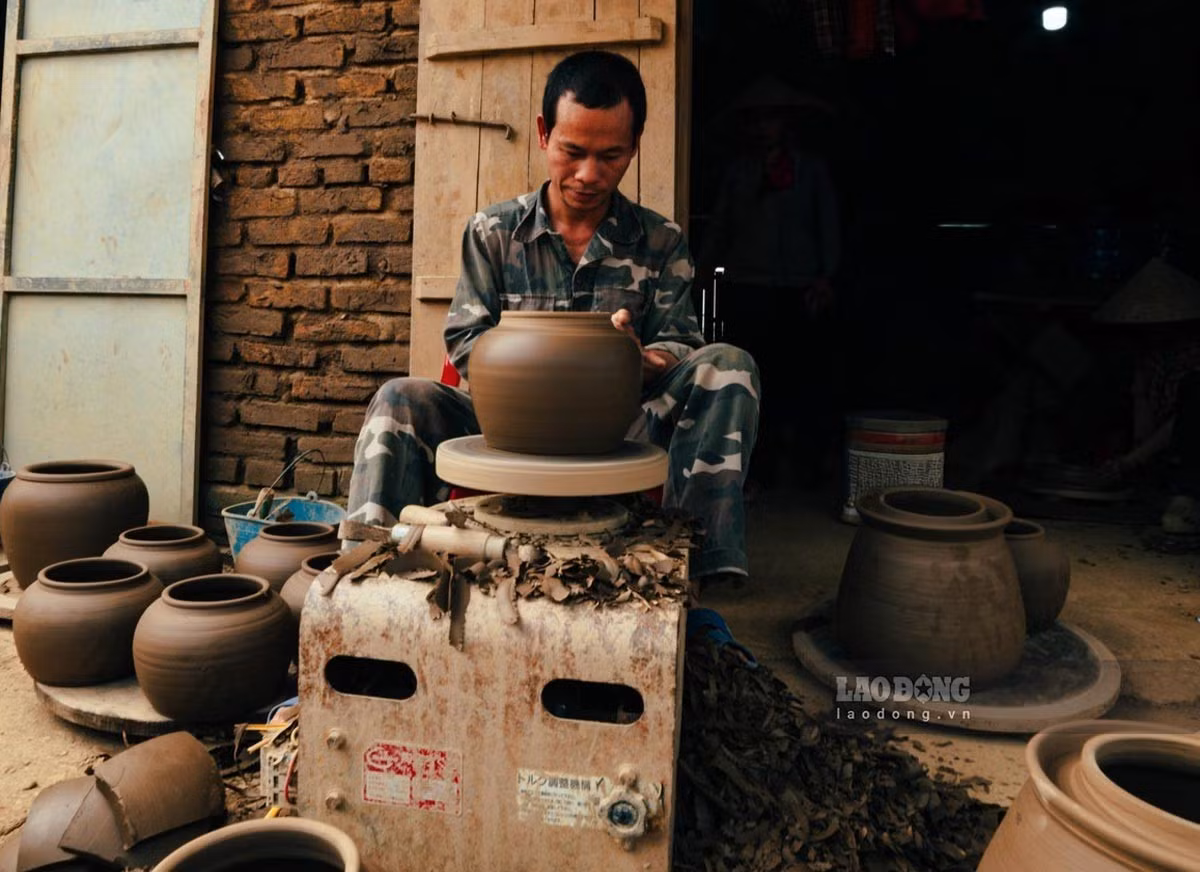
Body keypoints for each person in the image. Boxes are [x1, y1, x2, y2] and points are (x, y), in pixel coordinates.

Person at [347, 50, 761, 590]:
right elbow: (465, 339)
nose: (589, 175)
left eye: (611, 156)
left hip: (617, 431)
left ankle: (696, 571)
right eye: (573, 151)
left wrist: (637, 358)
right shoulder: (492, 232)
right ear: (544, 134)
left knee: (729, 366)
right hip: (507, 429)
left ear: (635, 147)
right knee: (399, 397)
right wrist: (546, 367)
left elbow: (681, 345)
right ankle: (364, 569)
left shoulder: (661, 242)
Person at [698, 78, 840, 487]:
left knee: (799, 375)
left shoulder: (810, 168)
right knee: (751, 376)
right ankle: (757, 467)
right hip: (748, 284)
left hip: (799, 287)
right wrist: (705, 270)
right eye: (757, 120)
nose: (764, 127)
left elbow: (826, 221)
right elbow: (721, 226)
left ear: (787, 124)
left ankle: (802, 467)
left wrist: (826, 275)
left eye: (771, 119)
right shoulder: (739, 171)